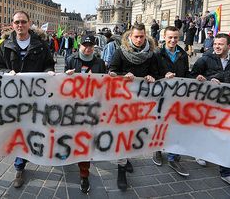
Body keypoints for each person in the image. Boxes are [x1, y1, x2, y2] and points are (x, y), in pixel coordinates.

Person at [0, 10, 55, 188]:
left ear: (29, 23)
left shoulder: (41, 45)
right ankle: (20, 166)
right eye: (16, 22)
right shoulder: (4, 45)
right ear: (12, 24)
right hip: (13, 97)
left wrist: (47, 72)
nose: (20, 25)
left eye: (23, 22)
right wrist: (6, 72)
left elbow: (48, 64)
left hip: (35, 95)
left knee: (32, 127)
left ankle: (28, 158)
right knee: (18, 129)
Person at [190, 33, 230, 190]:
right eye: (215, 44)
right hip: (207, 104)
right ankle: (200, 152)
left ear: (229, 46)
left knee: (227, 136)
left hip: (226, 105)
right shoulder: (204, 59)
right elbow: (192, 76)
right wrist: (205, 80)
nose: (217, 46)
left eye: (221, 44)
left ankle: (227, 173)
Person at [109, 23, 158, 190]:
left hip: (141, 102)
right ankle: (121, 170)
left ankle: (127, 158)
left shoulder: (151, 55)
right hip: (122, 102)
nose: (138, 39)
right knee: (123, 134)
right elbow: (112, 72)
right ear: (130, 36)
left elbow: (156, 72)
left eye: (141, 36)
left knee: (134, 134)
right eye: (136, 36)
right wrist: (123, 76)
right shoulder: (120, 52)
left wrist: (152, 76)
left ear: (146, 37)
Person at [64, 35, 107, 193]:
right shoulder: (70, 59)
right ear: (80, 45)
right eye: (85, 45)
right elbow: (62, 83)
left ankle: (84, 174)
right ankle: (68, 152)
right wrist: (66, 76)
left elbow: (105, 83)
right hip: (73, 106)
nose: (88, 48)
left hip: (91, 107)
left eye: (91, 46)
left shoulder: (99, 63)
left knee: (85, 139)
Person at [153, 26, 190, 177]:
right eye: (170, 37)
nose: (173, 40)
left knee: (176, 126)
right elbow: (152, 74)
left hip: (178, 96)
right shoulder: (157, 54)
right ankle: (157, 150)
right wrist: (163, 75)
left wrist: (196, 79)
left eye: (176, 37)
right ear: (164, 37)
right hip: (161, 96)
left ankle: (173, 157)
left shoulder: (182, 54)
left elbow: (186, 73)